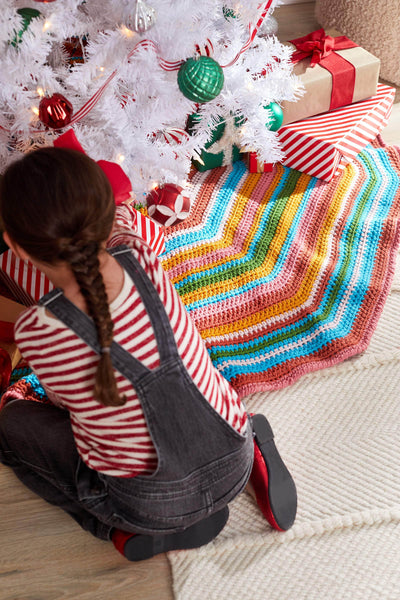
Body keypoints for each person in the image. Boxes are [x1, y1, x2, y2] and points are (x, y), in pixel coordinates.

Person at [0, 147, 297, 562]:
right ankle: (256, 445)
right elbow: (120, 222)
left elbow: (66, 407)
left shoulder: (36, 331)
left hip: (148, 505)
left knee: (11, 425)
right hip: (234, 452)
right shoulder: (142, 257)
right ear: (107, 214)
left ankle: (111, 527)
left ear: (16, 246)